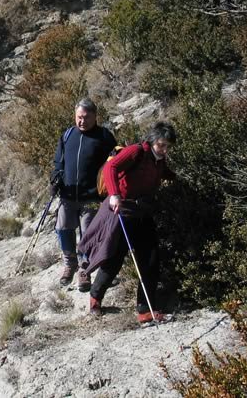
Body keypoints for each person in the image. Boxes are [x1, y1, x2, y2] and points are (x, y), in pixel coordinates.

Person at [77, 121, 177, 324]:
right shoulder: (136, 152)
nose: (164, 150)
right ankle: (95, 297)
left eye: (168, 146)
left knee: (150, 260)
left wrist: (180, 178)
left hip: (143, 213)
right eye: (161, 145)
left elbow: (163, 174)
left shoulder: (159, 161)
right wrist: (114, 194)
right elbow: (111, 167)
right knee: (113, 259)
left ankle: (145, 310)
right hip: (122, 212)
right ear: (152, 140)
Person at [50, 98, 117, 291]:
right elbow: (58, 163)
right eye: (79, 117)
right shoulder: (68, 135)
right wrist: (55, 179)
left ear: (95, 116)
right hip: (67, 195)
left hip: (92, 197)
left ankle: (84, 270)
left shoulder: (104, 137)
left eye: (86, 118)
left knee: (88, 234)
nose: (82, 121)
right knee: (63, 228)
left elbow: (114, 164)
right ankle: (69, 263)